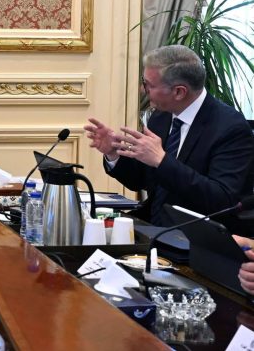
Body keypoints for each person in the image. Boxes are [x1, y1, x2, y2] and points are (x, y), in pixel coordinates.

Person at [85, 45, 254, 232]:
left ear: (179, 92)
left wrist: (162, 160)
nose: (143, 90)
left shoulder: (230, 128)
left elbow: (221, 199)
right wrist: (114, 154)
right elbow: (140, 179)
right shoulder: (161, 116)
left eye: (149, 85)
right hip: (154, 227)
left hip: (199, 236)